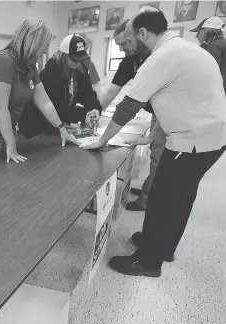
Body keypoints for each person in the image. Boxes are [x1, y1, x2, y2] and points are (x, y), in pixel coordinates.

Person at [84, 9, 226, 277]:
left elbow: (128, 106)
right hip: (209, 136)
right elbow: (181, 100)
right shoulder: (182, 49)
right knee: (181, 196)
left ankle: (149, 262)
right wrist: (154, 136)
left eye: (128, 38)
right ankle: (162, 247)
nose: (127, 46)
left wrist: (102, 140)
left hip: (193, 141)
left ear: (143, 33)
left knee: (163, 198)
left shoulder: (161, 57)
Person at [0, 18, 79, 163]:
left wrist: (62, 129)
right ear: (33, 42)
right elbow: (0, 107)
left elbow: (44, 101)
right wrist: (11, 143)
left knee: (8, 172)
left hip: (8, 130)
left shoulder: (30, 66)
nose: (46, 50)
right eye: (44, 45)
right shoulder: (3, 61)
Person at [100, 18, 166, 212]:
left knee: (159, 158)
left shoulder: (157, 57)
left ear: (137, 36)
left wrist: (104, 138)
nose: (121, 49)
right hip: (157, 112)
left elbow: (130, 104)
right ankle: (148, 191)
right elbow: (112, 90)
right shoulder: (130, 60)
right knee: (156, 152)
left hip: (171, 115)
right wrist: (97, 109)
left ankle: (148, 200)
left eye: (124, 43)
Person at [18, 34, 101, 139]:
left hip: (59, 126)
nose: (78, 62)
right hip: (39, 128)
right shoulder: (48, 74)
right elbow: (57, 108)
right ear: (64, 55)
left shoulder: (79, 71)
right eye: (74, 59)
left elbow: (87, 93)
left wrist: (94, 109)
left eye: (80, 59)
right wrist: (83, 115)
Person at [190, 16, 226, 94]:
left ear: (208, 30)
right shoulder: (222, 42)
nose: (196, 36)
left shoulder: (214, 45)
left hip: (217, 91)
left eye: (199, 31)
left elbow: (209, 72)